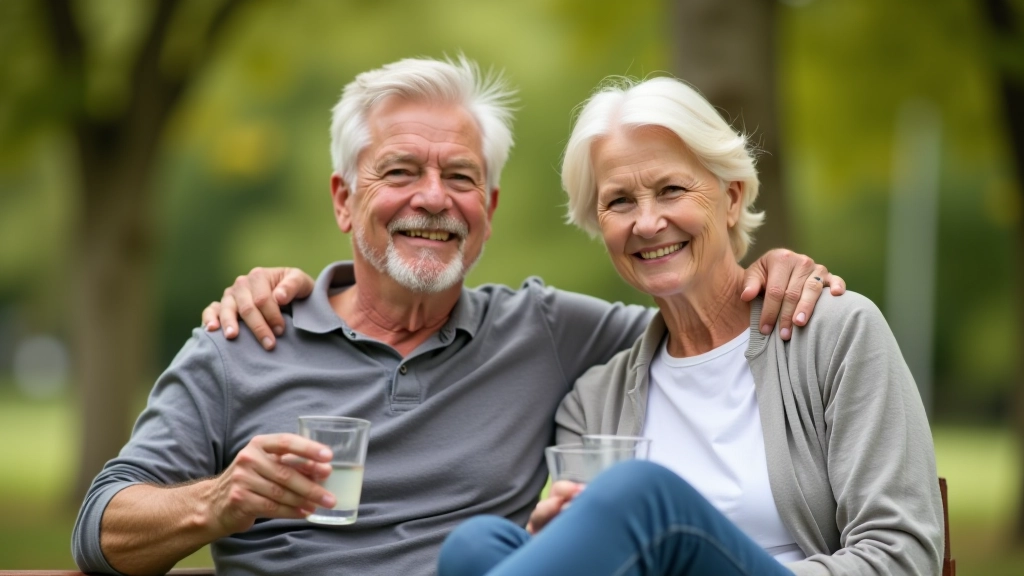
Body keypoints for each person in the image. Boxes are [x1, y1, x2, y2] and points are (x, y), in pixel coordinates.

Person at [72, 57, 843, 576]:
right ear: (344, 198)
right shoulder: (248, 339)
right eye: (401, 171)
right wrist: (218, 501)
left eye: (461, 177)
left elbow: (697, 309)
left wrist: (768, 269)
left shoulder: (545, 334)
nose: (434, 198)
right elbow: (99, 528)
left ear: (489, 209)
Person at [436, 76, 943, 576]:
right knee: (476, 548)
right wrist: (565, 543)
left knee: (638, 494)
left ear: (733, 198)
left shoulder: (836, 333)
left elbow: (903, 555)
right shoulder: (593, 404)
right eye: (620, 201)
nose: (647, 222)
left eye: (671, 190)